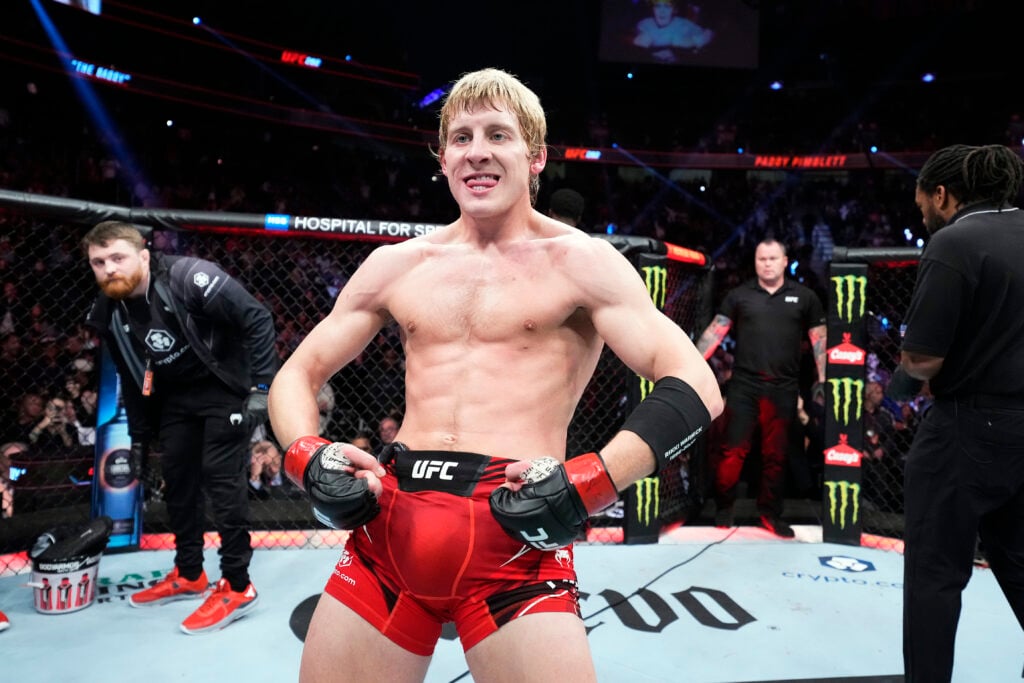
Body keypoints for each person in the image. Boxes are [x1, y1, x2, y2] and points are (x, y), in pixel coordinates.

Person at [268, 67, 722, 682]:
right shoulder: (397, 265)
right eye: (460, 137)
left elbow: (696, 384)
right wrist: (306, 456)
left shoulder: (583, 262)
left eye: (497, 135)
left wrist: (592, 484)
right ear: (442, 157)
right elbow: (297, 374)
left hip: (516, 537)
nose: (477, 152)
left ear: (534, 157)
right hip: (390, 534)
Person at [82, 221, 278, 635]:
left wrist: (262, 389)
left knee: (222, 481)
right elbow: (131, 375)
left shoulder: (190, 277)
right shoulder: (108, 311)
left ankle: (238, 585)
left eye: (118, 257)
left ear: (143, 257)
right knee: (179, 482)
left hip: (223, 387)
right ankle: (190, 572)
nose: (109, 269)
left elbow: (256, 318)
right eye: (99, 262)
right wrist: (138, 437)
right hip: (174, 398)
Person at [890, 143, 1024, 682]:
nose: (920, 212)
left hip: (968, 429)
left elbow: (923, 358)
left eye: (922, 200)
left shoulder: (954, 242)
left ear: (942, 194)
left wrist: (907, 379)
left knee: (934, 574)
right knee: (1018, 559)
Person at [696, 238, 826, 538]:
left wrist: (823, 378)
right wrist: (690, 363)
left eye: (772, 258)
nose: (766, 263)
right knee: (732, 451)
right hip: (744, 385)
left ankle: (770, 513)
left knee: (776, 455)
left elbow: (819, 339)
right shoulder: (739, 296)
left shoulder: (804, 297)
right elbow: (715, 332)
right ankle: (724, 507)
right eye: (761, 258)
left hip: (783, 387)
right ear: (755, 262)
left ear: (784, 261)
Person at [633, 0, 713, 64]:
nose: (662, 11)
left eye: (667, 7)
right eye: (657, 6)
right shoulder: (644, 24)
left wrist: (694, 42)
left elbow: (709, 33)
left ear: (674, 10)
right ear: (653, 9)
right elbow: (639, 42)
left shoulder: (684, 24)